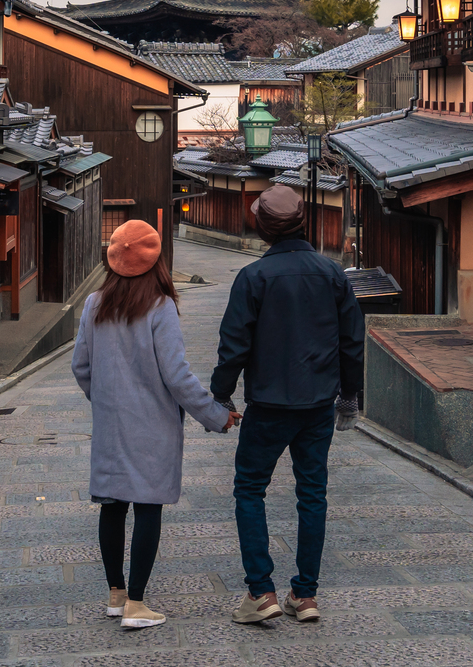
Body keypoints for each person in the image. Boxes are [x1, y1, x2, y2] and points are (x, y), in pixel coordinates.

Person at [72, 219, 238, 630]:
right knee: (147, 505)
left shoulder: (94, 304)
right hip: (153, 425)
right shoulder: (160, 306)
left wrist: (107, 401)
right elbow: (178, 376)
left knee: (112, 504)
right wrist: (217, 416)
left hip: (112, 423)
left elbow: (81, 366)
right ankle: (137, 603)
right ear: (155, 260)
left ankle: (116, 594)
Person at [211, 182, 364, 625]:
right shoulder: (331, 273)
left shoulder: (254, 277)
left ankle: (261, 591)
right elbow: (352, 342)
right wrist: (349, 396)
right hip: (317, 404)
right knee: (312, 494)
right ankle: (306, 594)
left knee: (249, 489)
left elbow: (234, 344)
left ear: (263, 228)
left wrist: (220, 395)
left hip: (269, 405)